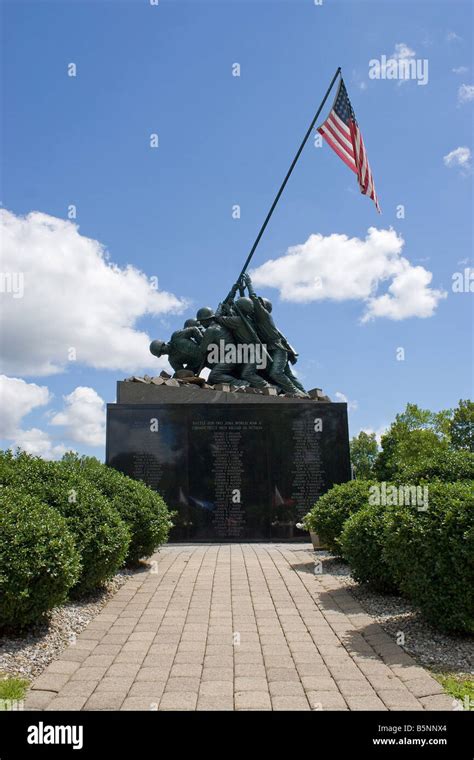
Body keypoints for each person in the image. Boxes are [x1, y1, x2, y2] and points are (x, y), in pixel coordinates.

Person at [242, 273, 308, 397]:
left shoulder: (264, 316)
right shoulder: (256, 319)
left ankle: (298, 393)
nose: (256, 305)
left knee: (276, 373)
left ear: (264, 307)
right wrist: (241, 291)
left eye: (260, 304)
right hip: (272, 350)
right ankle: (304, 393)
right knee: (288, 375)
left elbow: (253, 300)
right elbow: (245, 306)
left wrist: (249, 285)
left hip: (278, 349)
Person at [195, 306, 248, 387]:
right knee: (211, 363)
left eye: (201, 321)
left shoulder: (211, 330)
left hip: (232, 356)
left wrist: (197, 336)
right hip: (231, 355)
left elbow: (202, 349)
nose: (201, 324)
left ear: (207, 320)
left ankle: (242, 384)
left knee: (214, 376)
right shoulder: (219, 326)